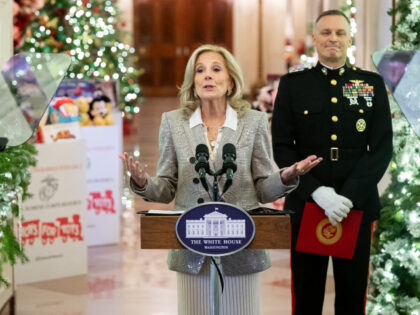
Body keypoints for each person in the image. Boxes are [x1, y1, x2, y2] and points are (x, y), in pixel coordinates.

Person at [121, 44, 321, 315]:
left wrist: (286, 176)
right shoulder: (173, 123)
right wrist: (144, 183)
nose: (207, 76)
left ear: (230, 82)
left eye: (216, 70)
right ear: (192, 83)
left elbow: (263, 189)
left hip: (242, 244)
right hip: (190, 244)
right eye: (200, 71)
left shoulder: (254, 122)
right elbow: (167, 189)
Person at [271, 10, 393, 315]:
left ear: (349, 38)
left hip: (356, 207)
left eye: (340, 32)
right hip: (308, 205)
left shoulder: (370, 84)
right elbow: (283, 148)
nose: (333, 39)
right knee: (307, 295)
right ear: (314, 38)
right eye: (326, 32)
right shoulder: (293, 85)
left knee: (352, 298)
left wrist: (348, 197)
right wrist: (316, 192)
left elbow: (379, 148)